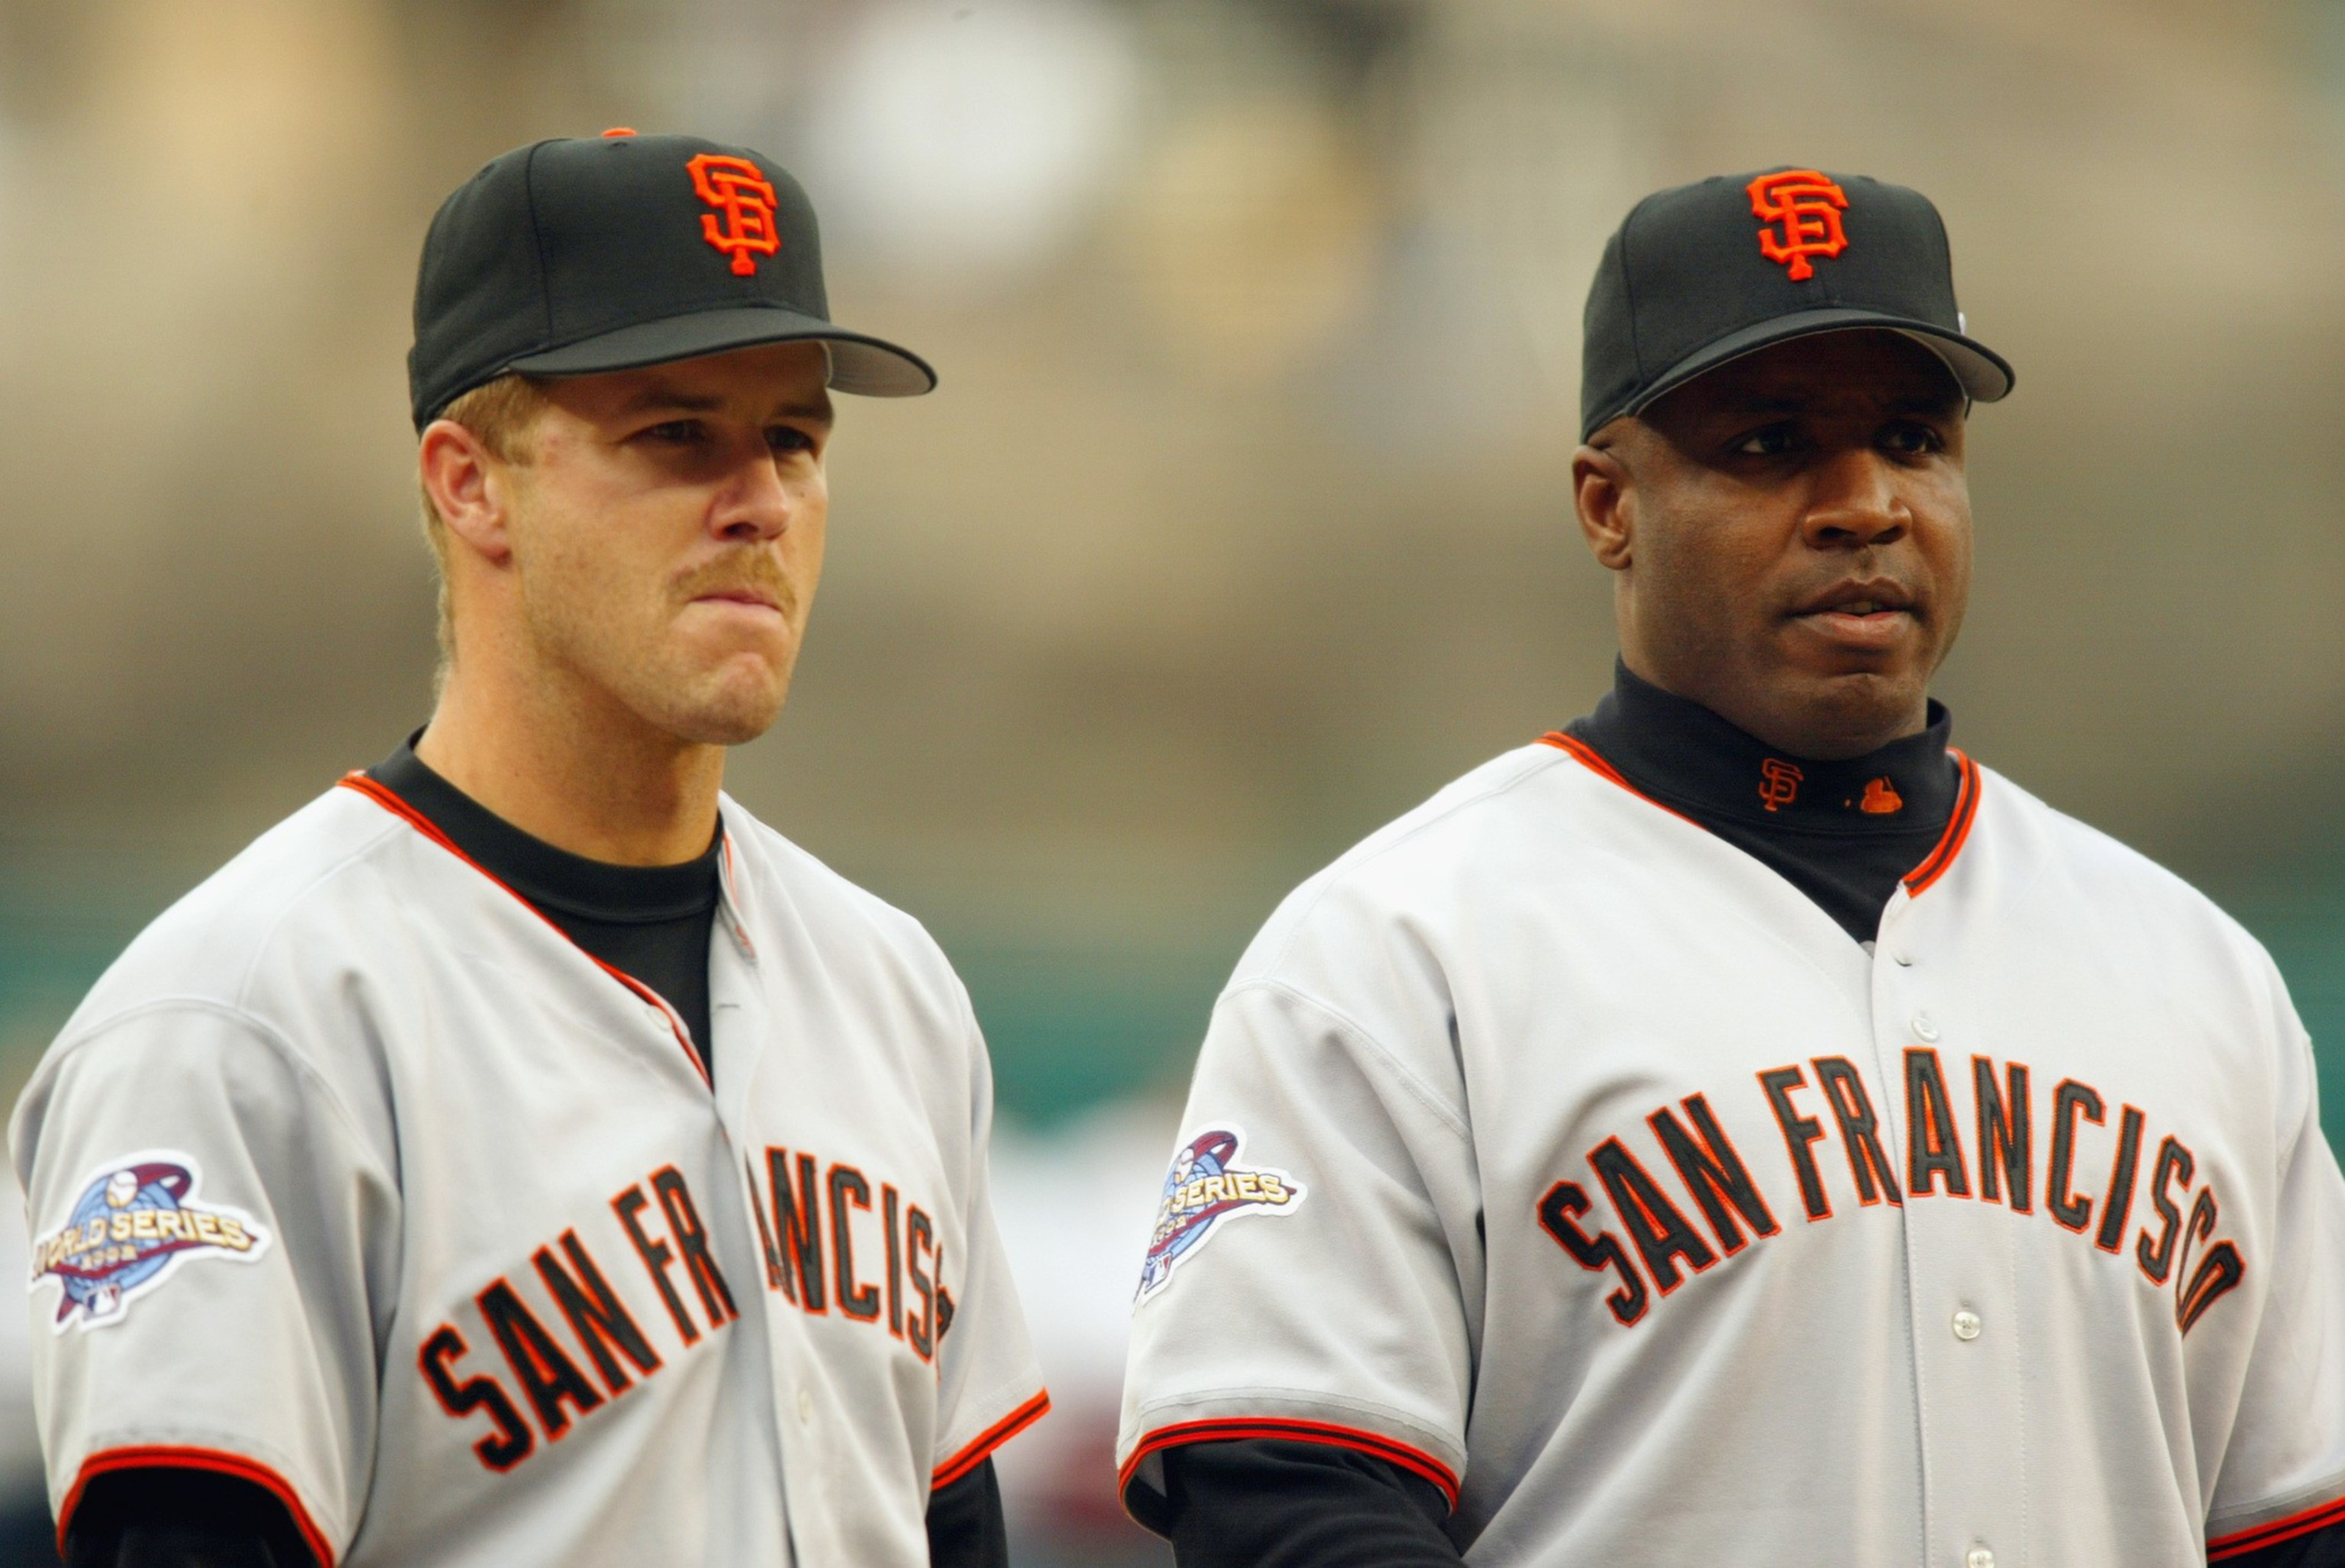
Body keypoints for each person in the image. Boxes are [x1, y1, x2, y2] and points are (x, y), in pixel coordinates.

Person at [1116, 168, 2345, 1567]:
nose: (1865, 504)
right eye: (1770, 444)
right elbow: (1288, 1497)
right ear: (1607, 505)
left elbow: (2299, 1517)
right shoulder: (1399, 949)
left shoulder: (2194, 976)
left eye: (1911, 437)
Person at [13, 130, 1047, 1567]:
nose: (758, 496)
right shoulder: (242, 1017)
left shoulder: (894, 987)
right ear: (469, 484)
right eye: (676, 432)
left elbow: (956, 1523)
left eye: (794, 439)